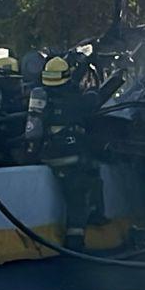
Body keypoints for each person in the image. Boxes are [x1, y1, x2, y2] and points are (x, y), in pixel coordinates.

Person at [25, 55, 103, 250]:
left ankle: (94, 215)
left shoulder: (41, 97)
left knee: (85, 180)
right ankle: (76, 241)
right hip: (72, 157)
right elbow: (92, 102)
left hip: (48, 155)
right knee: (78, 197)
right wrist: (94, 91)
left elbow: (33, 131)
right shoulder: (76, 99)